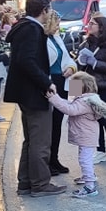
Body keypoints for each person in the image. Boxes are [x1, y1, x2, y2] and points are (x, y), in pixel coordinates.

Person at [4, 0, 66, 197]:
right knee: (40, 141)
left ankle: (26, 183)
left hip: (26, 92)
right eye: (50, 9)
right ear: (44, 10)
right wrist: (46, 82)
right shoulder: (31, 29)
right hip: (34, 93)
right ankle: (40, 184)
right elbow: (27, 61)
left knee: (31, 140)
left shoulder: (25, 27)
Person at [46, 72, 106, 198]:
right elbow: (70, 103)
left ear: (83, 87)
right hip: (87, 134)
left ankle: (90, 186)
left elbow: (70, 109)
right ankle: (89, 176)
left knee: (84, 159)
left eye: (74, 85)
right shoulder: (89, 99)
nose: (72, 88)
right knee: (85, 158)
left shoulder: (84, 101)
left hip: (86, 135)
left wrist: (53, 98)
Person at [76, 14, 106, 164]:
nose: (89, 26)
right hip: (88, 88)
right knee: (91, 120)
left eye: (92, 24)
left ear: (102, 27)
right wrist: (75, 92)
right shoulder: (85, 44)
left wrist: (96, 63)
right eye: (89, 23)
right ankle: (100, 150)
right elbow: (79, 70)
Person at [44, 10, 79, 175]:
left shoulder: (57, 37)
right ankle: (47, 161)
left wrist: (71, 67)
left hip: (62, 81)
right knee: (49, 125)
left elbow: (67, 59)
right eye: (57, 23)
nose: (59, 26)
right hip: (50, 82)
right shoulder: (42, 39)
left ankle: (54, 159)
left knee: (57, 123)